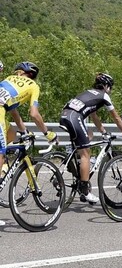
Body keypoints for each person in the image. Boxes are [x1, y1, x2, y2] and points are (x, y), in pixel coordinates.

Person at [59, 73, 122, 204]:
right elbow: (116, 117)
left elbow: (94, 116)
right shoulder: (104, 96)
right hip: (74, 118)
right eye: (110, 87)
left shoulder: (88, 93)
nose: (110, 90)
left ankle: (73, 163)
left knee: (88, 136)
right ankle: (85, 191)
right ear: (106, 86)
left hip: (65, 115)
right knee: (86, 154)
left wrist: (103, 131)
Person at [0, 62, 57, 226]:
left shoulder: (8, 79)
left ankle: (3, 167)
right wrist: (47, 133)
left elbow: (13, 111)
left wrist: (23, 131)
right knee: (1, 152)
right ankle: (2, 167)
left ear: (19, 73)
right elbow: (34, 113)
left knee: (10, 132)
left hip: (2, 112)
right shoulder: (33, 85)